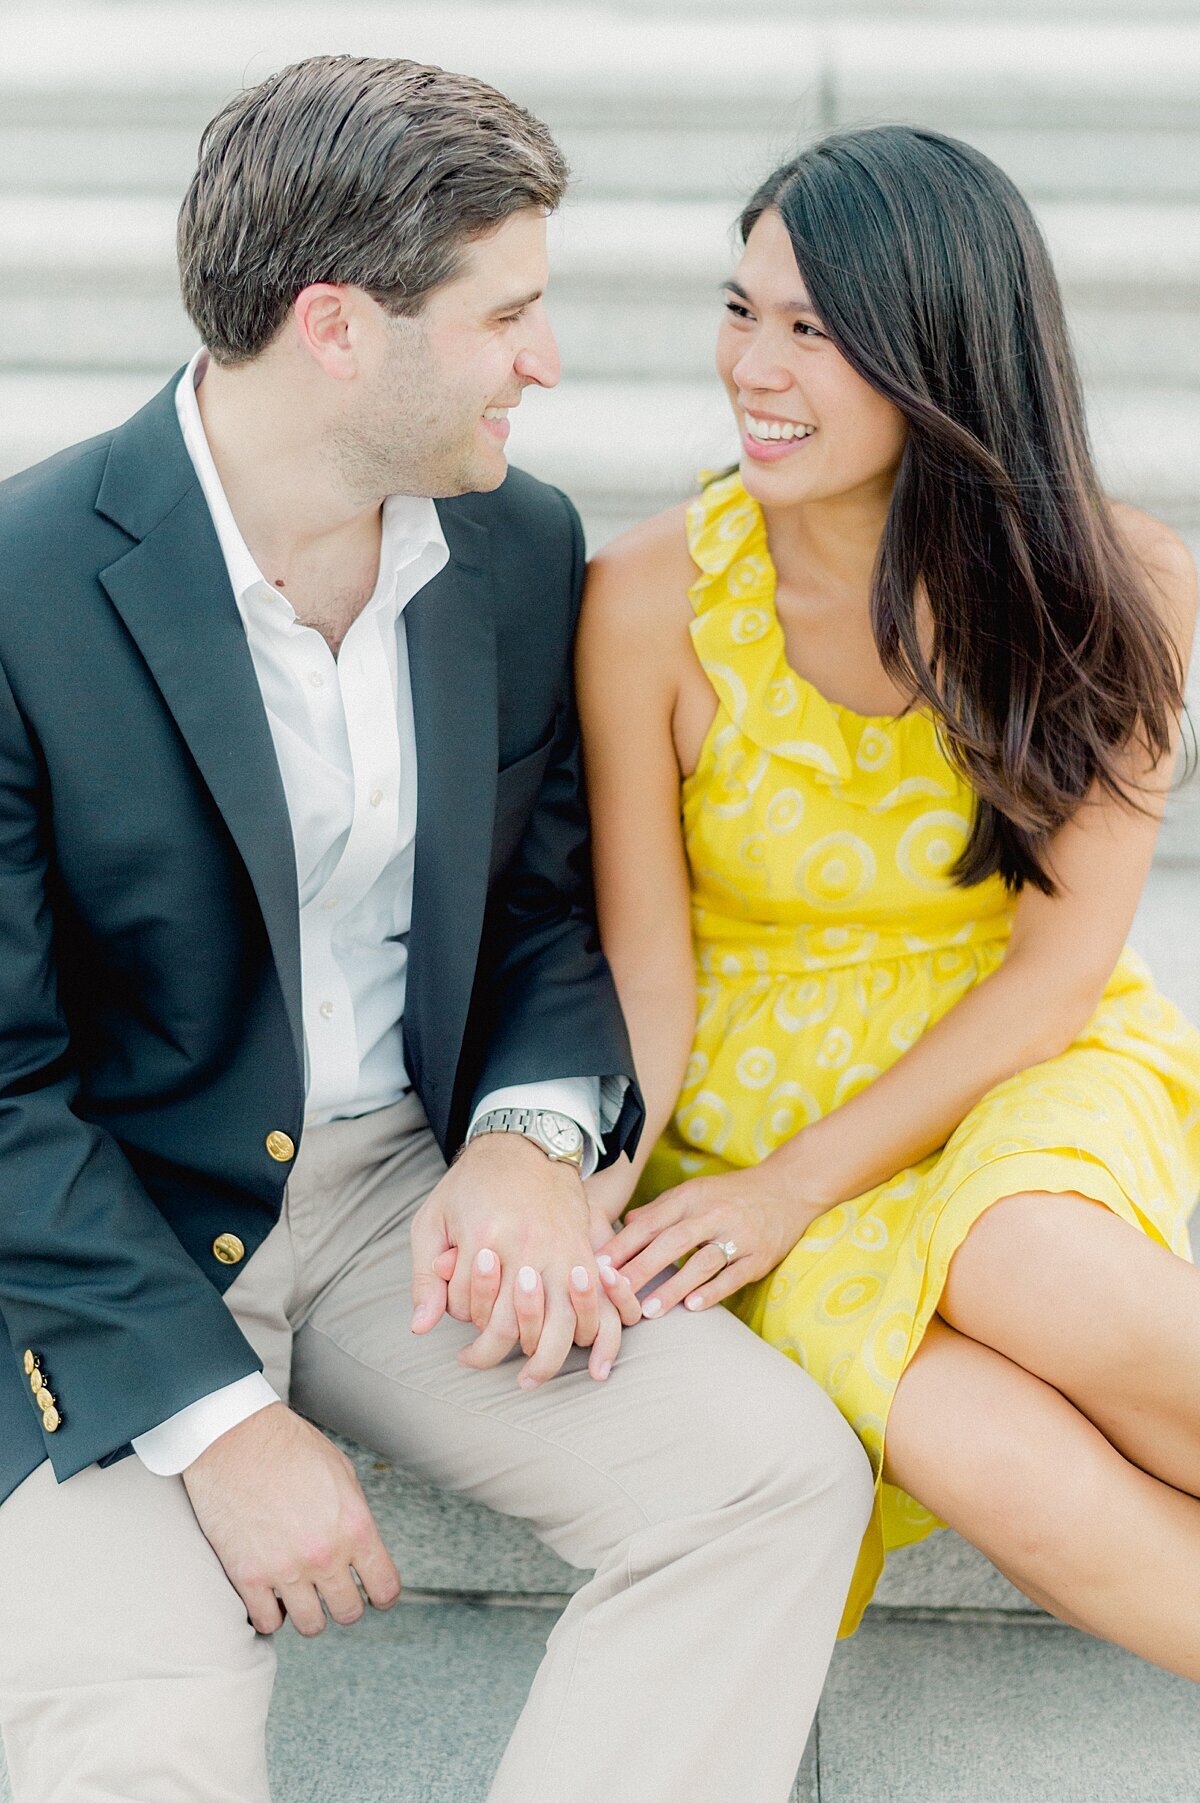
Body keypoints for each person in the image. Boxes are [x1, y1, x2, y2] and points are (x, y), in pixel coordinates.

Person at [0, 54, 874, 1803]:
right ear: (338, 326)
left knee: (772, 1476)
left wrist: (534, 1136)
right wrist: (222, 1420)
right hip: (112, 1247)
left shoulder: (514, 547)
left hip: (411, 1203)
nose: (545, 362)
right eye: (506, 316)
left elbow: (543, 913)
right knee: (138, 1746)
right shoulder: (24, 589)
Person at [578, 124, 1200, 1674]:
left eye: (816, 329)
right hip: (749, 1110)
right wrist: (589, 1194)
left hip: (1016, 1058)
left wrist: (800, 1186)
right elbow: (648, 975)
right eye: (742, 311)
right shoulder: (650, 598)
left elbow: (1056, 980)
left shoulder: (1117, 582)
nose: (756, 369)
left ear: (941, 356)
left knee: (1023, 1261)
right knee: (967, 1443)